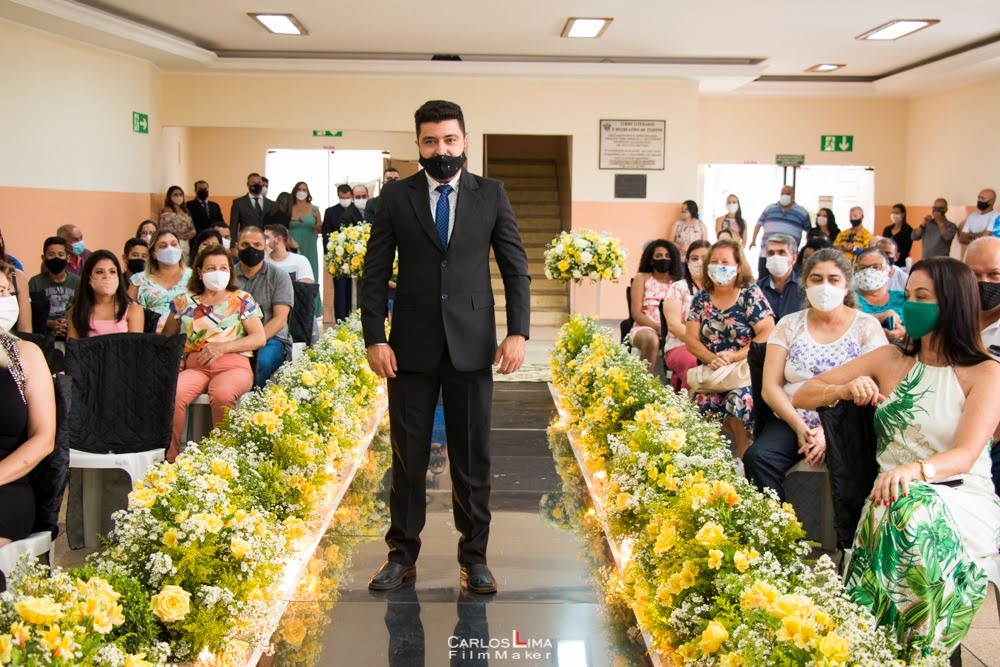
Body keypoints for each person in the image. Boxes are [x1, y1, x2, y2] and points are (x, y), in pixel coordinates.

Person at [360, 100, 530, 595]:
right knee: (407, 458)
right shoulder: (397, 197)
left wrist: (517, 332)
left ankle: (474, 557)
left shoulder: (490, 194)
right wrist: (375, 336)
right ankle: (401, 556)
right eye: (431, 141)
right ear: (418, 144)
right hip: (409, 347)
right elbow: (375, 272)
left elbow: (515, 267)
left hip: (472, 346)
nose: (442, 150)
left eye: (450, 139)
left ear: (464, 141)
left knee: (472, 457)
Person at [793, 257, 1000, 660]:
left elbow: (965, 455)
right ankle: (897, 650)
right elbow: (804, 393)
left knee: (912, 509)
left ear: (952, 303)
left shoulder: (985, 372)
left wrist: (915, 470)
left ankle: (911, 649)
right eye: (909, 296)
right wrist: (845, 389)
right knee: (903, 508)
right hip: (888, 499)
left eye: (923, 297)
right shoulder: (890, 360)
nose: (910, 306)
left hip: (959, 497)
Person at [744, 249, 888, 500]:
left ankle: (847, 526)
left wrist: (826, 431)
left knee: (854, 470)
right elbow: (770, 387)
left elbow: (876, 385)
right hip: (792, 418)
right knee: (759, 458)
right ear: (805, 283)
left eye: (833, 279)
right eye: (817, 279)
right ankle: (776, 522)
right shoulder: (788, 324)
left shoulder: (866, 327)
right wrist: (801, 428)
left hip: (847, 421)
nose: (825, 286)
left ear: (846, 285)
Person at [163, 244, 265, 462]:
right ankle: (169, 459)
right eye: (211, 268)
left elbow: (259, 338)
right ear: (200, 272)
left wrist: (223, 347)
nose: (217, 273)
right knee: (174, 393)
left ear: (230, 271)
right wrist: (176, 359)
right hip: (196, 367)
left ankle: (224, 460)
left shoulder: (242, 299)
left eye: (223, 268)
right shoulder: (182, 301)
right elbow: (168, 338)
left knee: (222, 394)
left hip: (233, 366)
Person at [685, 239, 775, 456]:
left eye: (725, 262)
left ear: (738, 266)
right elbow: (691, 339)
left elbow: (767, 331)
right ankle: (708, 460)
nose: (719, 266)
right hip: (714, 370)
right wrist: (712, 358)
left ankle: (742, 458)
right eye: (714, 261)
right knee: (701, 401)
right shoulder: (701, 298)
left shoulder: (749, 293)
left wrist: (734, 356)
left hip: (744, 370)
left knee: (739, 399)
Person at [0, 265, 56, 546]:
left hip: (6, 485)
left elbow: (44, 439)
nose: (6, 299)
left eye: (6, 292)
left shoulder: (25, 355)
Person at [963, 237, 1000, 494]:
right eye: (974, 275)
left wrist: (986, 438)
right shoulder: (949, 319)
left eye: (994, 275)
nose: (983, 283)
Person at [234, 226, 292, 388]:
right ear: (237, 247)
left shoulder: (279, 276)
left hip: (271, 338)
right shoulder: (228, 276)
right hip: (234, 337)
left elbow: (280, 319)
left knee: (261, 364)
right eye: (245, 245)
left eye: (257, 245)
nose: (251, 249)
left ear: (265, 248)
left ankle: (251, 400)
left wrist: (252, 342)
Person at [661, 240, 710, 392]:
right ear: (687, 261)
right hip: (681, 345)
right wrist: (699, 343)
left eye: (704, 258)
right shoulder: (678, 288)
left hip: (713, 346)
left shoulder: (719, 290)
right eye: (694, 258)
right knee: (693, 362)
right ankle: (690, 405)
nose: (699, 262)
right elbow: (673, 325)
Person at [628, 240, 682, 368]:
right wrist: (657, 328)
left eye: (667, 256)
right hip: (645, 327)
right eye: (658, 256)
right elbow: (636, 312)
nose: (663, 259)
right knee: (651, 340)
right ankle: (644, 380)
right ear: (651, 260)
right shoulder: (642, 278)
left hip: (673, 328)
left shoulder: (678, 282)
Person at [66, 250, 143, 338]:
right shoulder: (76, 312)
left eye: (112, 271)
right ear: (89, 278)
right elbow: (73, 345)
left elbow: (135, 345)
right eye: (99, 272)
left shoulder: (133, 309)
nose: (107, 276)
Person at [128, 230, 192, 333]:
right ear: (153, 254)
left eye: (174, 244)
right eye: (163, 246)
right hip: (149, 336)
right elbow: (128, 313)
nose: (170, 249)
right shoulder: (139, 280)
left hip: (186, 335)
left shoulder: (193, 277)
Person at [324, 183, 366, 321]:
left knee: (358, 292)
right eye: (358, 197)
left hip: (362, 258)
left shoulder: (368, 211)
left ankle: (359, 319)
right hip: (341, 258)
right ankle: (341, 320)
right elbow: (327, 236)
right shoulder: (335, 213)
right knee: (341, 291)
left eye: (363, 196)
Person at [749, 186, 811, 277]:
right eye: (782, 193)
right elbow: (758, 224)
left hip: (788, 257)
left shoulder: (802, 212)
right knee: (764, 281)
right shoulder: (769, 209)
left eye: (787, 193)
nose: (784, 195)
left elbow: (810, 232)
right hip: (767, 255)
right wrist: (753, 240)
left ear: (793, 195)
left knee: (788, 282)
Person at [29, 236, 80, 340]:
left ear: (68, 258)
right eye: (51, 255)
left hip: (71, 334)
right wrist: (50, 323)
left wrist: (68, 323)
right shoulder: (35, 282)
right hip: (43, 335)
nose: (56, 258)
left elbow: (83, 310)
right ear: (44, 258)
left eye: (60, 254)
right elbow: (30, 313)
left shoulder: (78, 282)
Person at [853, 248, 907, 344]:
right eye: (863, 268)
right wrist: (880, 317)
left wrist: (904, 334)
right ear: (855, 272)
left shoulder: (904, 298)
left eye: (876, 267)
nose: (869, 272)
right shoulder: (848, 299)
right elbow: (842, 325)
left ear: (889, 273)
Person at [757, 233, 804, 322]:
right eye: (771, 253)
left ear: (794, 258)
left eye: (781, 252)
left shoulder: (804, 288)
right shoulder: (756, 289)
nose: (775, 257)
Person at [288, 181, 321, 282]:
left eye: (304, 190)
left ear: (308, 192)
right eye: (299, 189)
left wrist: (319, 226)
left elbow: (319, 228)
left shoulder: (314, 209)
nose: (301, 192)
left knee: (310, 269)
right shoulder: (289, 208)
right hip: (292, 244)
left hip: (309, 244)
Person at [0, 228, 32, 333]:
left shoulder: (18, 277)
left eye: (6, 289)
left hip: (13, 340)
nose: (6, 294)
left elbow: (26, 330)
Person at [158, 186, 196, 263]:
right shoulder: (167, 210)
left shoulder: (185, 211)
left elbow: (192, 227)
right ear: (170, 196)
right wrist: (180, 235)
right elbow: (165, 229)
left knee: (185, 262)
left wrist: (190, 234)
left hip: (186, 243)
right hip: (174, 242)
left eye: (181, 194)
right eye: (175, 195)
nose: (178, 197)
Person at [229, 172, 273, 239]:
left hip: (266, 240)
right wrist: (233, 243)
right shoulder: (238, 203)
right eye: (253, 182)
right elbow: (233, 226)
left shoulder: (271, 204)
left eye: (259, 182)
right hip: (246, 239)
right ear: (248, 184)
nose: (257, 184)